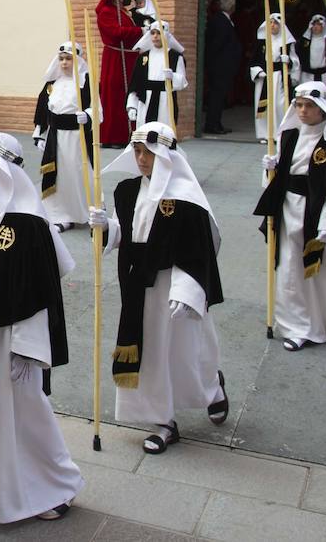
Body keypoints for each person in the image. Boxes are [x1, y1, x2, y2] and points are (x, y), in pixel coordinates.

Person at [0, 133, 82, 526]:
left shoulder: (28, 223)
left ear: (7, 171)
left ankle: (56, 484)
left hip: (11, 338)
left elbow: (38, 291)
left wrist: (28, 345)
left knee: (24, 411)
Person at [88, 123, 228, 454]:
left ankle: (213, 388)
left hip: (173, 285)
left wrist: (187, 291)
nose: (141, 158)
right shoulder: (126, 190)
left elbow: (196, 251)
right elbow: (127, 233)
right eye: (136, 151)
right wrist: (106, 228)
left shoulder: (185, 199)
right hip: (139, 286)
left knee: (185, 351)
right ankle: (163, 421)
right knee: (151, 354)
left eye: (148, 153)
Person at [255, 83, 326, 350]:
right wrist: (271, 167)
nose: (302, 111)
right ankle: (300, 326)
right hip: (288, 208)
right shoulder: (289, 133)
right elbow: (281, 173)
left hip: (318, 210)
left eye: (309, 106)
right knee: (291, 268)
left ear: (323, 108)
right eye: (298, 105)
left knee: (325, 268)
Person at [33, 41, 94, 231]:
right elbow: (44, 110)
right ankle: (57, 214)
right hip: (55, 137)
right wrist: (39, 134)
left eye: (68, 59)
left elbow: (98, 108)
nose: (64, 63)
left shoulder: (86, 83)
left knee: (74, 174)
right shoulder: (53, 83)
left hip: (76, 138)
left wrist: (89, 115)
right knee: (56, 174)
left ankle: (78, 212)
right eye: (61, 59)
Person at [96, 0, 141, 148]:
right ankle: (114, 137)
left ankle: (127, 133)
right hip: (116, 58)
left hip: (128, 57)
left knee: (127, 94)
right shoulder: (106, 13)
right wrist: (140, 31)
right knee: (116, 95)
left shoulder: (122, 11)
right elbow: (116, 33)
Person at [126, 20, 187, 129]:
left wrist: (173, 77)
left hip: (165, 101)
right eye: (153, 33)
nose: (155, 36)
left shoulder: (175, 57)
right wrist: (132, 106)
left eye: (158, 33)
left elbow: (182, 81)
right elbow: (135, 84)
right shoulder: (143, 57)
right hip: (146, 101)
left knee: (163, 131)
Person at [250, 14, 298, 143]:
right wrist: (258, 71)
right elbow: (254, 60)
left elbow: (295, 61)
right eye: (270, 23)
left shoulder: (286, 42)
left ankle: (279, 133)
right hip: (264, 76)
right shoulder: (262, 41)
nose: (272, 25)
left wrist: (288, 61)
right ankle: (265, 134)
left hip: (280, 77)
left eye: (275, 23)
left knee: (279, 105)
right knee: (264, 105)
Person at [203, 0, 241, 134]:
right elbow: (216, 45)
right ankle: (212, 125)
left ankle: (216, 123)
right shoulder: (220, 20)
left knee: (219, 97)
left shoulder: (223, 19)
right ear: (232, 7)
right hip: (219, 67)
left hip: (221, 66)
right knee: (216, 97)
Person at [298, 15, 326, 89]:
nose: (316, 27)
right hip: (307, 75)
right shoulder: (305, 41)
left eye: (319, 24)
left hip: (323, 75)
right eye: (314, 24)